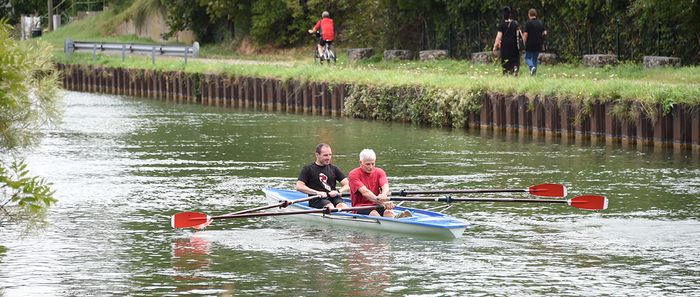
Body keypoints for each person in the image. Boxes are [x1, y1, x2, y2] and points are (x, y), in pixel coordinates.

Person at [348, 149, 410, 218]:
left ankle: (396, 220)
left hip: (377, 204)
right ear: (360, 162)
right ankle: (391, 223)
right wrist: (382, 202)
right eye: (367, 164)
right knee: (373, 213)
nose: (371, 167)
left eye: (373, 164)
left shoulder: (380, 172)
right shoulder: (353, 174)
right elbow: (365, 192)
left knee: (388, 212)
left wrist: (384, 195)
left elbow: (385, 187)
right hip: (360, 207)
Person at [296, 143, 349, 209]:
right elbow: (299, 186)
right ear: (317, 155)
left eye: (330, 155)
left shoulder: (334, 168)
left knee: (343, 206)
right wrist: (317, 192)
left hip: (333, 197)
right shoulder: (308, 169)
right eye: (325, 155)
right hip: (317, 198)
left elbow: (347, 185)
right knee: (330, 207)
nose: (328, 158)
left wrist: (338, 191)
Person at [493, 6, 521, 75]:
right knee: (515, 58)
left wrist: (495, 47)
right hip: (514, 44)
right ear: (510, 14)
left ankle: (506, 72)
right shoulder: (515, 23)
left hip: (505, 45)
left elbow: (499, 37)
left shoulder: (502, 24)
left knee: (506, 59)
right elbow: (519, 34)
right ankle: (515, 67)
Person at [522, 8, 547, 76]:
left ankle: (531, 67)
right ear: (535, 14)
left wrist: (524, 42)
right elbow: (545, 32)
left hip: (530, 44)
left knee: (527, 58)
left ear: (529, 15)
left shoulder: (528, 23)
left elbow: (525, 34)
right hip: (538, 44)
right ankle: (533, 74)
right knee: (535, 59)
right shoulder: (540, 23)